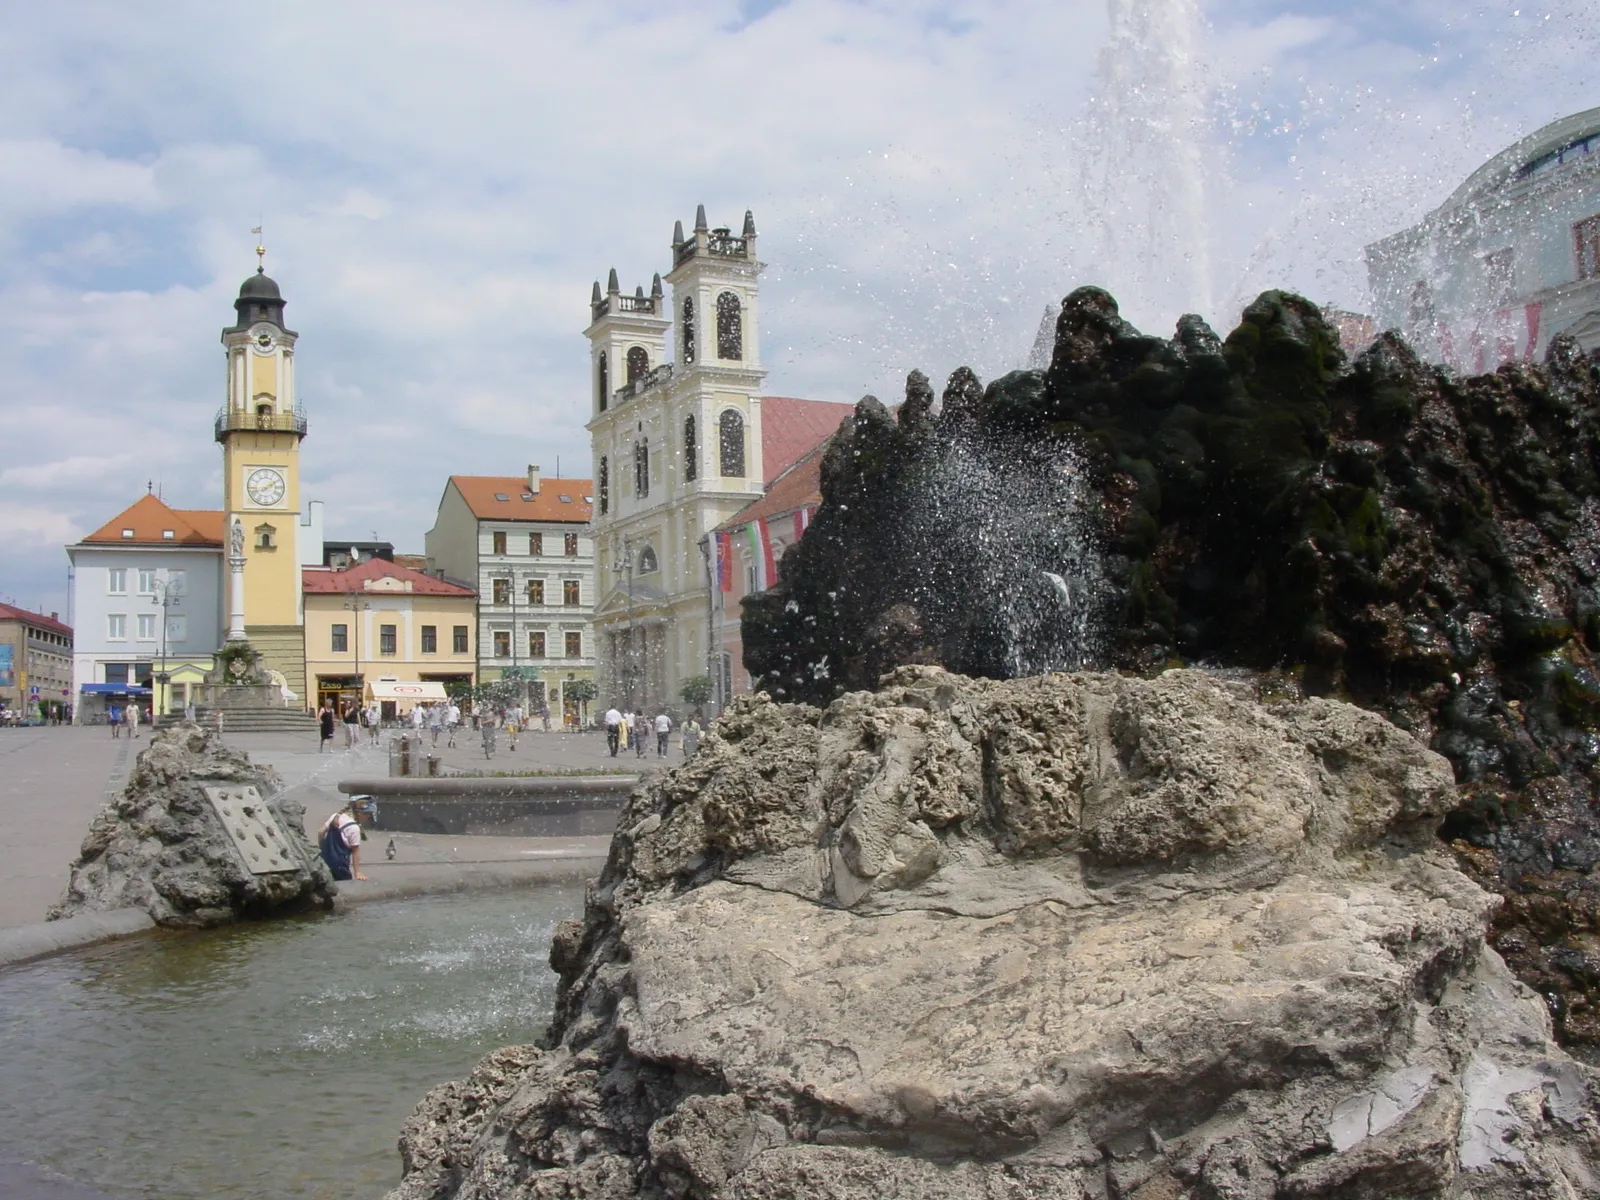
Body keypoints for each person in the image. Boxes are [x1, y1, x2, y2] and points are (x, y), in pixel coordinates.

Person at [318, 800, 370, 881]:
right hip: (340, 864)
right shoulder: (354, 828)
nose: (369, 817)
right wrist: (357, 873)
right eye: (367, 814)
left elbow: (321, 832)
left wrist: (322, 849)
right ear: (360, 813)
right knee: (344, 885)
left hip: (325, 860)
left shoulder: (336, 816)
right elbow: (355, 852)